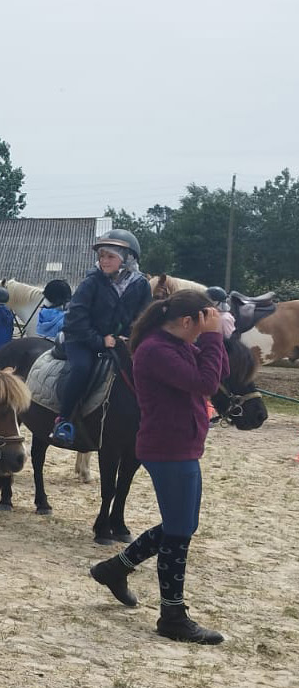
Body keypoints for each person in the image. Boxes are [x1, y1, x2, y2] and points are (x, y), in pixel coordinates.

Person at [88, 290, 227, 644]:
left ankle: (114, 569)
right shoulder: (156, 350)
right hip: (168, 448)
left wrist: (214, 337)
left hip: (183, 445)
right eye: (202, 322)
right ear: (187, 321)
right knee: (179, 531)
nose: (205, 329)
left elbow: (219, 371)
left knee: (183, 525)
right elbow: (207, 384)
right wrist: (212, 337)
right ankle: (172, 616)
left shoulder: (178, 345)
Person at [51, 230, 151, 447]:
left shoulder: (141, 285)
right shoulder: (91, 282)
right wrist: (99, 340)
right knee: (81, 368)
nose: (104, 260)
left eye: (110, 256)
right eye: (102, 256)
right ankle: (64, 420)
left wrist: (130, 336)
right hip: (82, 340)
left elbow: (143, 316)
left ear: (128, 259)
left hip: (120, 341)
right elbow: (76, 318)